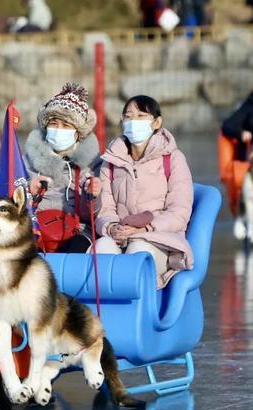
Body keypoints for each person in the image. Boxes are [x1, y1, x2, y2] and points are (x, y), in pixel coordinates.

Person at [95, 95, 194, 289]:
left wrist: (145, 229)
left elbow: (179, 212)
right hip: (120, 240)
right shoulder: (111, 161)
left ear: (156, 122)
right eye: (128, 117)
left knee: (138, 251)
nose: (133, 122)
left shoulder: (173, 159)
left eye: (141, 116)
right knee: (102, 248)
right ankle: (104, 311)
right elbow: (104, 209)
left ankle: (139, 311)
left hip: (159, 241)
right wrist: (112, 228)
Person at [25, 83, 101, 253]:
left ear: (78, 133)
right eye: (53, 123)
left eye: (66, 126)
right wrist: (27, 191)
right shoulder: (27, 161)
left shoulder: (93, 164)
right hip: (34, 226)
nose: (58, 130)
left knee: (79, 246)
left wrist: (91, 196)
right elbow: (9, 199)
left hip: (76, 229)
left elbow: (91, 216)